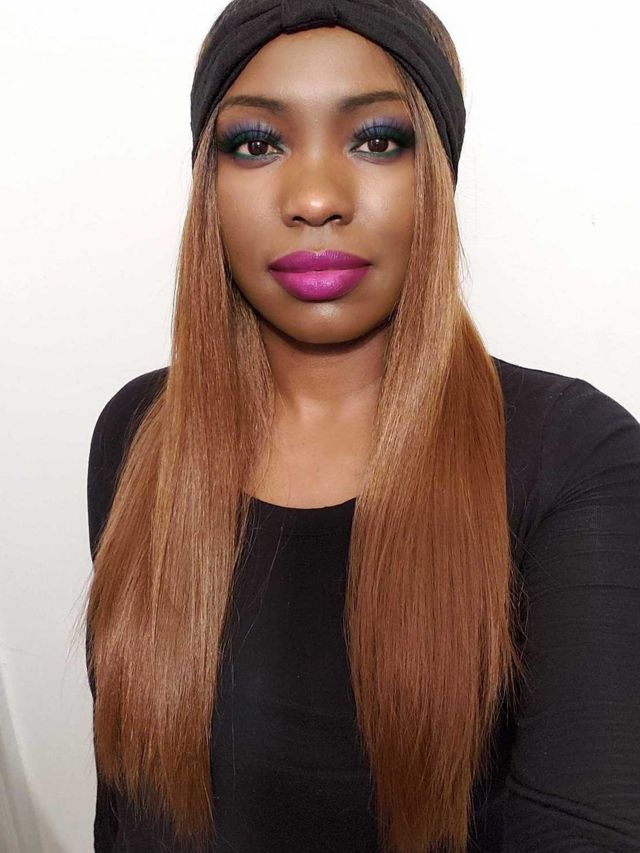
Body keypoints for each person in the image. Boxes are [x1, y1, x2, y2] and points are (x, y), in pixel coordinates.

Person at [84, 1, 640, 851]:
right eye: (256, 143)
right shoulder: (138, 434)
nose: (315, 198)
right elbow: (127, 815)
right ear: (209, 183)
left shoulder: (577, 459)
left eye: (377, 140)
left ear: (437, 174)